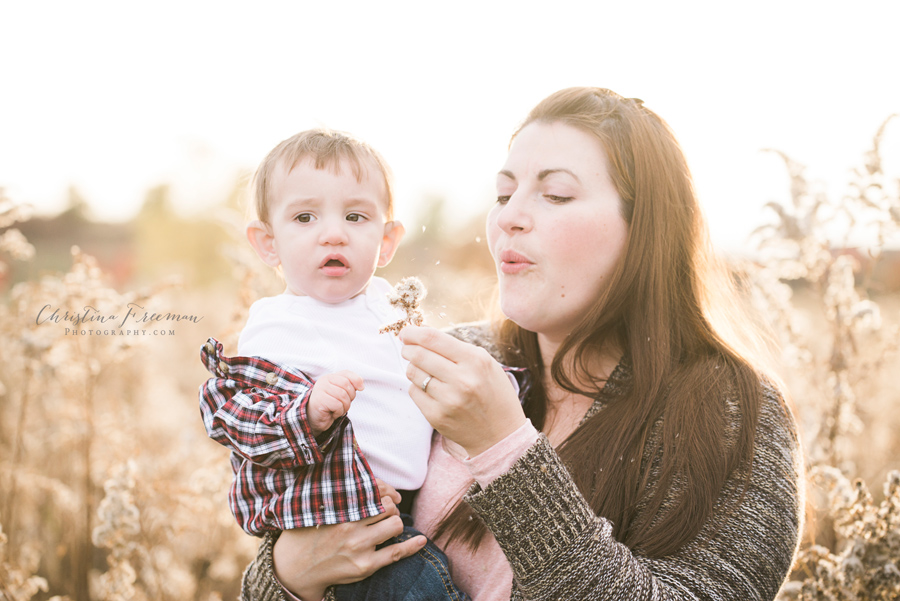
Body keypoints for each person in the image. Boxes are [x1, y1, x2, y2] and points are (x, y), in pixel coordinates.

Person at [239, 88, 804, 601]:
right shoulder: (450, 360)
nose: (510, 217)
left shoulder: (736, 413)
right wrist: (290, 575)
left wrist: (506, 449)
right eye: (504, 193)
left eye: (555, 195)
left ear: (646, 228)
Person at [199, 128, 498, 600]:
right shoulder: (277, 325)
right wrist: (307, 410)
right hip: (340, 518)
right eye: (304, 217)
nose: (333, 233)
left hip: (406, 510)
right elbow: (247, 421)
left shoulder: (388, 306)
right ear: (268, 244)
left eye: (356, 216)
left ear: (386, 241)